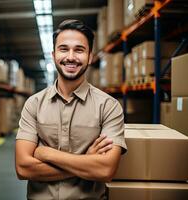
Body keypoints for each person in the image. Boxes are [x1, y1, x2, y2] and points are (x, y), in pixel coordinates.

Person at [15, 19, 127, 200]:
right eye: (64, 49)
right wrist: (87, 160)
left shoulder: (108, 106)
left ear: (90, 57)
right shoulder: (33, 104)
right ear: (53, 55)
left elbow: (106, 170)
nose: (71, 57)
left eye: (79, 50)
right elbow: (23, 167)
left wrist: (46, 153)